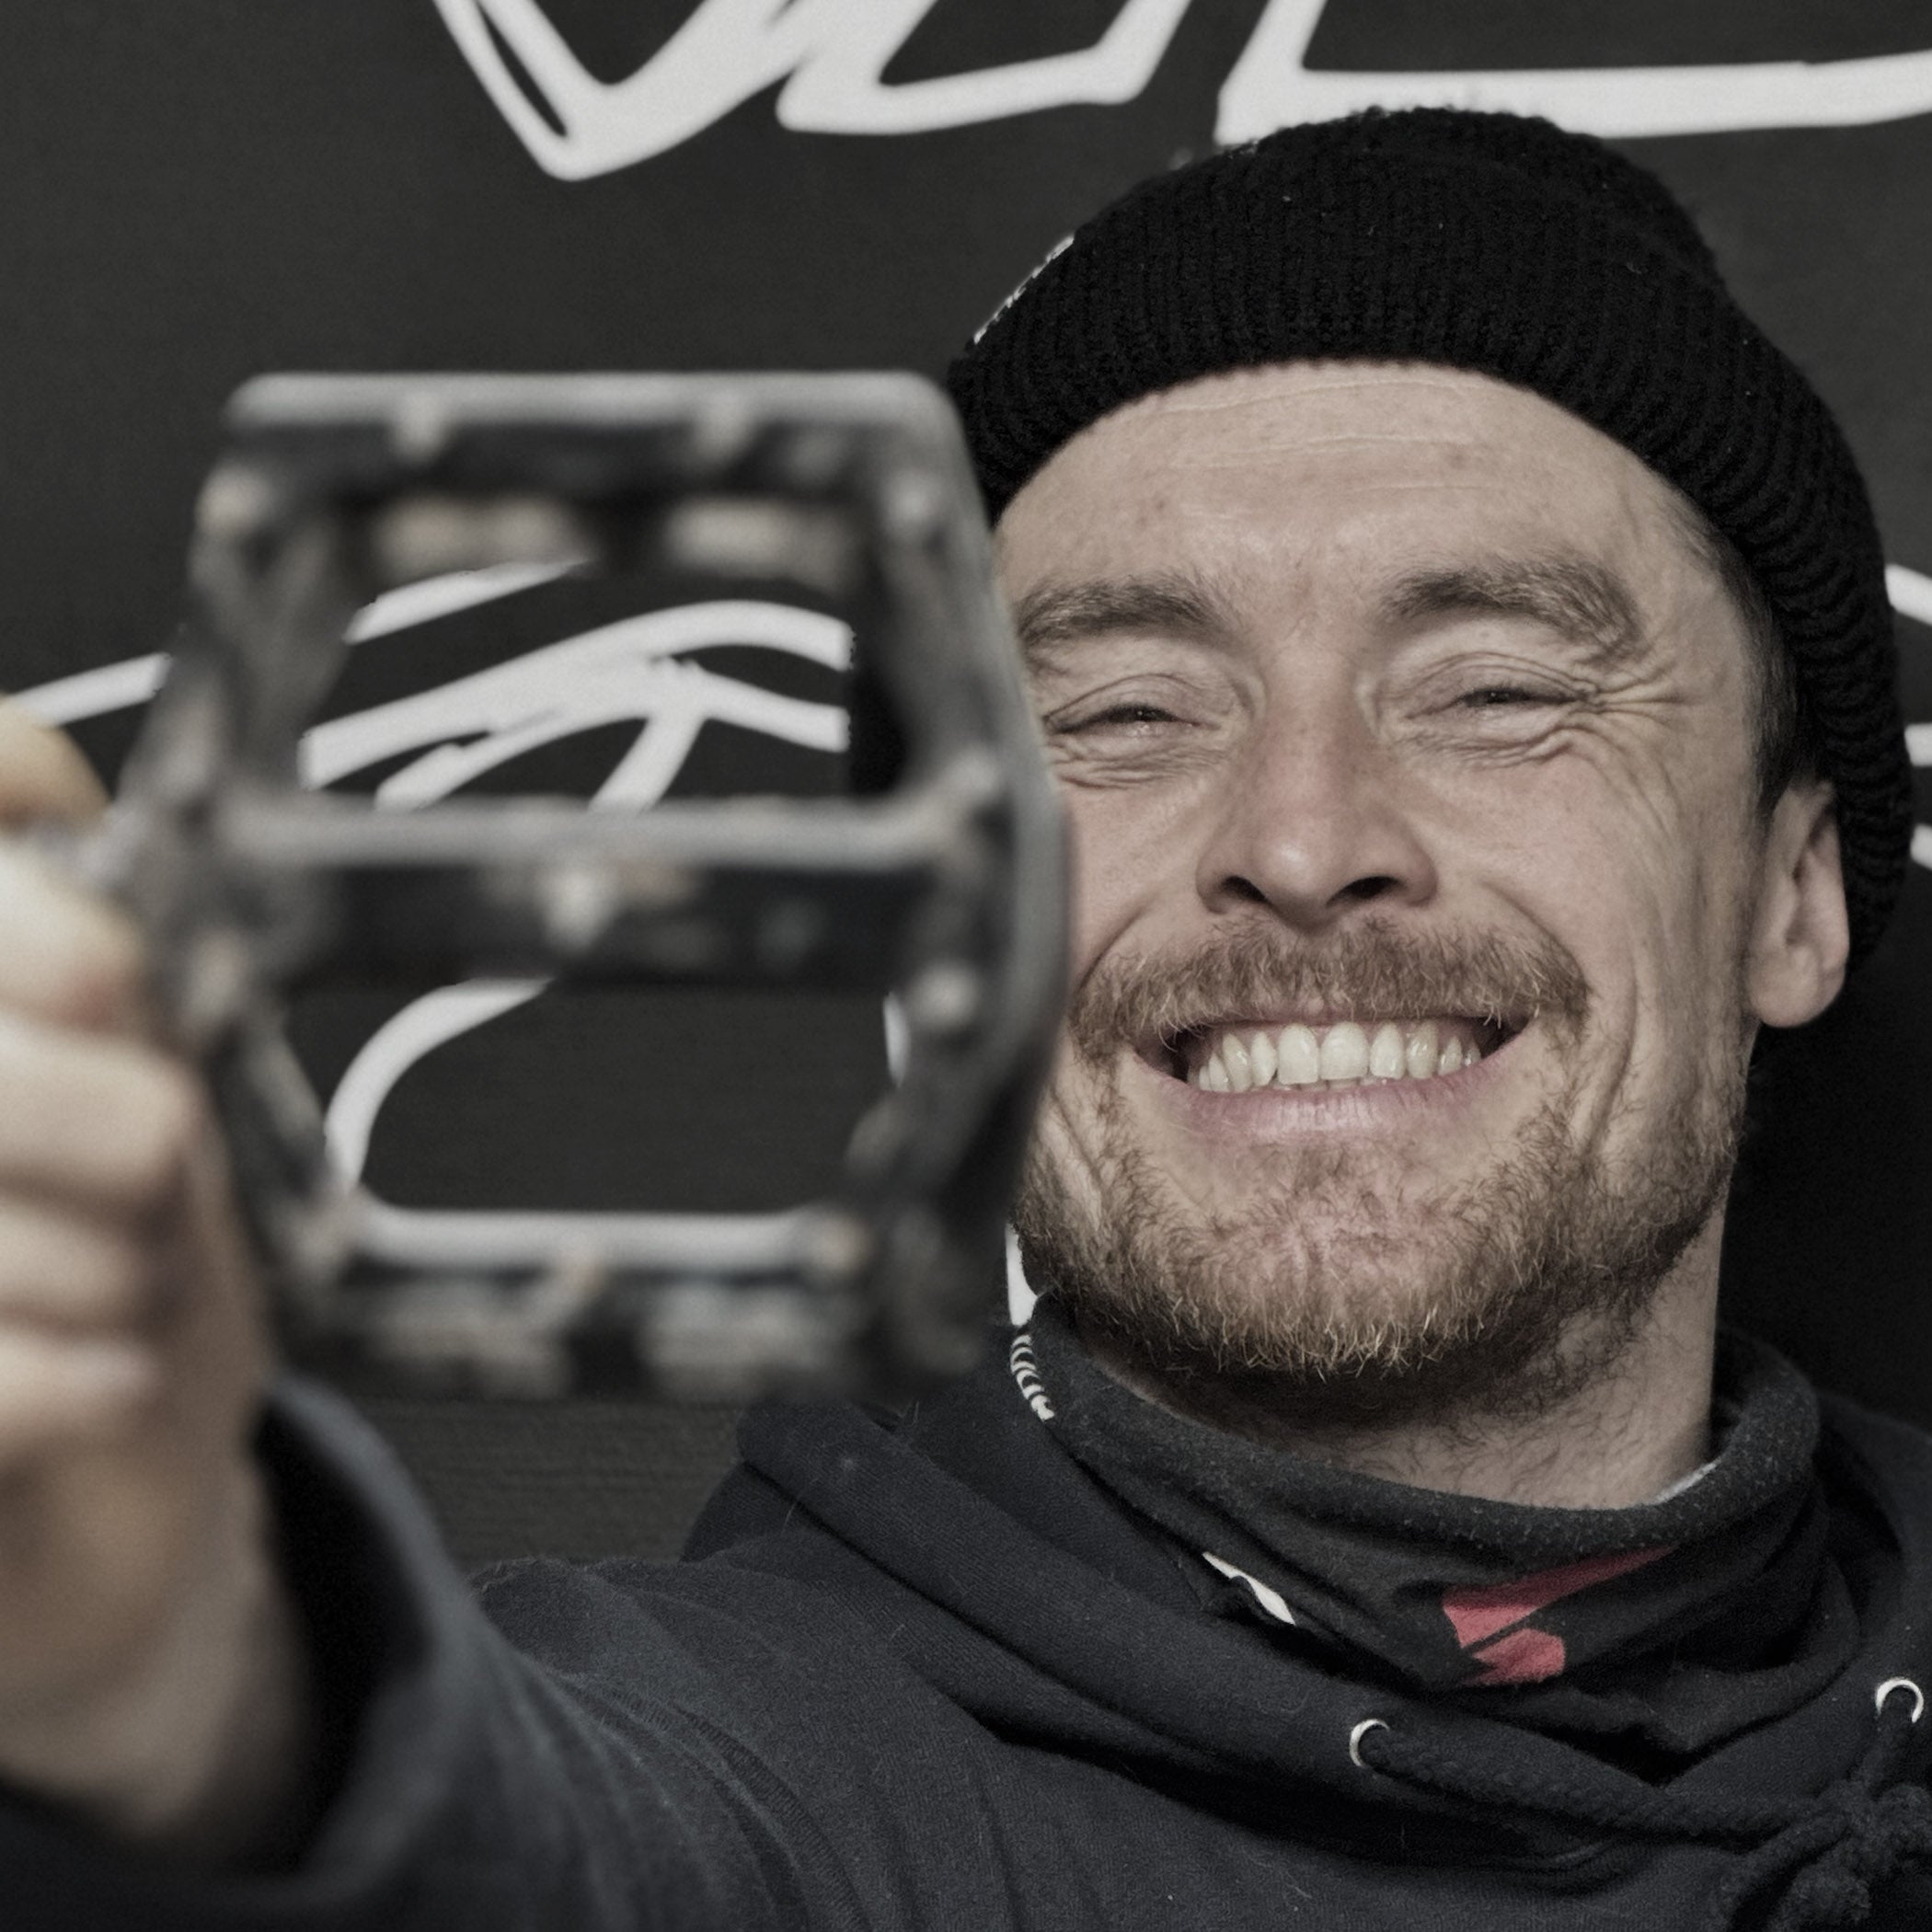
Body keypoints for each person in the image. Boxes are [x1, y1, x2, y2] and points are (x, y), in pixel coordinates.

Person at [0, 106, 1923, 1929]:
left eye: (1495, 689)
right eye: (1118, 715)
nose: (1304, 836)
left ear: (1794, 892)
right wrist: (187, 1686)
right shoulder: (770, 1776)